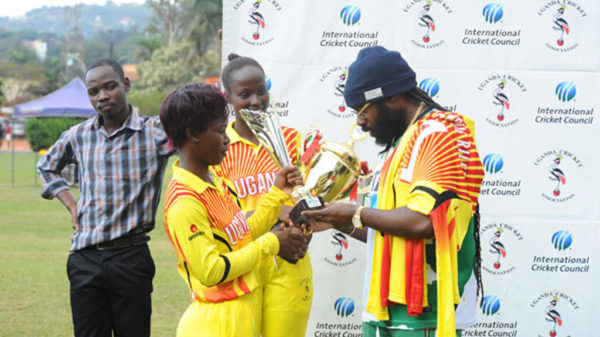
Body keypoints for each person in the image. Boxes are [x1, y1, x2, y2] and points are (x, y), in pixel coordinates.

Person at [302, 46, 484, 337]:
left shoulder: (438, 135)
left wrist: (356, 213)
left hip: (425, 313)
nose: (359, 122)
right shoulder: (402, 142)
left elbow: (424, 223)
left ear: (393, 96)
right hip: (387, 309)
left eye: (362, 110)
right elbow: (386, 233)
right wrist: (341, 221)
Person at [37, 59, 174, 337]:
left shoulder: (156, 132)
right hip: (85, 259)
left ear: (125, 84)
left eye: (110, 87)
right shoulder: (78, 136)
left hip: (131, 257)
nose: (102, 96)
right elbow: (46, 167)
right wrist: (71, 204)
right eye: (94, 91)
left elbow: (199, 136)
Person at [159, 83, 308, 337]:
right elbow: (212, 271)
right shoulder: (184, 200)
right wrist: (272, 243)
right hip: (215, 324)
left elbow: (241, 235)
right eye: (219, 131)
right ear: (193, 134)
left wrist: (276, 194)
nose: (227, 139)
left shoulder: (216, 181)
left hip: (240, 317)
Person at [214, 53, 313, 337]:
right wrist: (275, 216)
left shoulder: (292, 141)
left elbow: (312, 199)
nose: (256, 101)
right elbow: (219, 216)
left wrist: (304, 226)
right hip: (243, 265)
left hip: (290, 264)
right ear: (228, 99)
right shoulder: (219, 148)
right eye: (244, 94)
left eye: (261, 91)